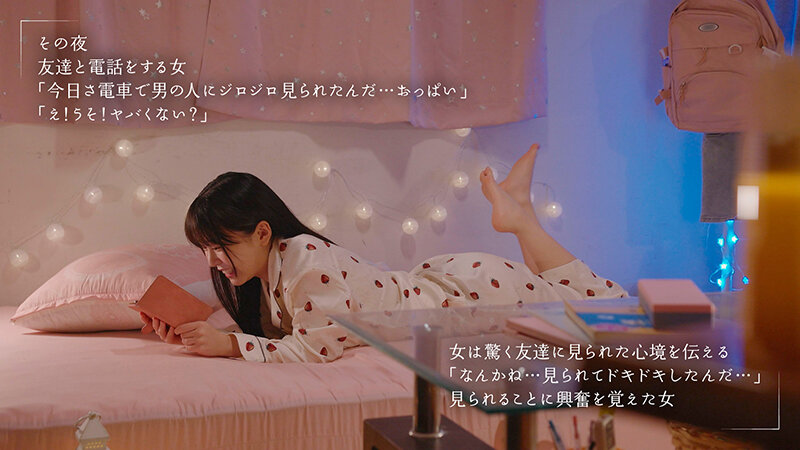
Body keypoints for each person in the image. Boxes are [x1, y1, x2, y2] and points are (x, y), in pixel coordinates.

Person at [140, 144, 627, 363]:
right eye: (205, 249)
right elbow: (279, 332)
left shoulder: (303, 257)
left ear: (262, 232)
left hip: (470, 295)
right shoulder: (264, 276)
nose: (212, 261)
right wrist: (193, 330)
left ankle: (520, 215)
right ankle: (520, 215)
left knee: (607, 310)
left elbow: (316, 348)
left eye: (218, 247)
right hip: (452, 288)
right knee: (566, 297)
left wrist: (228, 346)